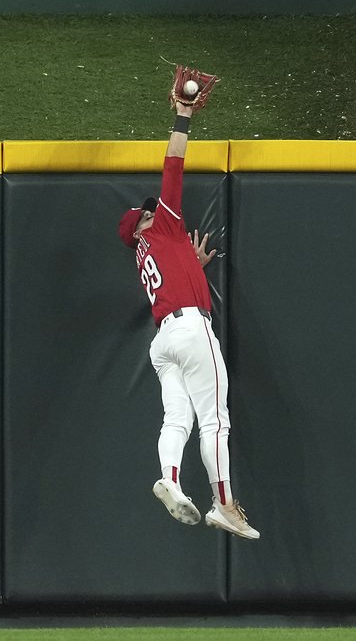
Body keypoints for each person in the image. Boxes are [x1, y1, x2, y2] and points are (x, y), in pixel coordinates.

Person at [116, 96, 259, 540]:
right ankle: (225, 504)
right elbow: (173, 165)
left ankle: (171, 480)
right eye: (147, 212)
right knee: (215, 420)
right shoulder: (162, 228)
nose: (154, 209)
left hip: (164, 340)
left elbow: (174, 279)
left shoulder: (148, 252)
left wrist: (191, 265)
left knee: (176, 420)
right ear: (142, 225)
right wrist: (183, 115)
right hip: (192, 330)